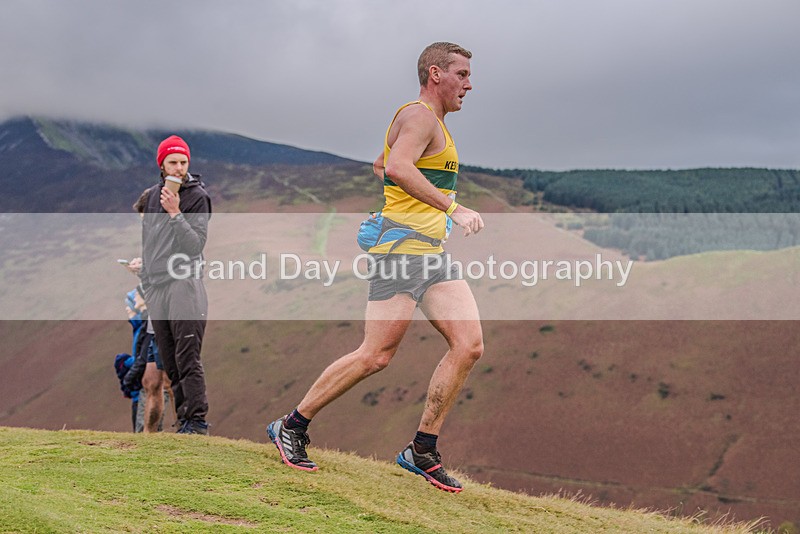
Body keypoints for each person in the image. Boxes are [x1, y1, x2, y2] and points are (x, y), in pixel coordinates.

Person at [267, 42, 484, 493]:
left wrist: (396, 206)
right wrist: (452, 208)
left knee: (469, 345)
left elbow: (382, 165)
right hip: (402, 253)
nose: (469, 83)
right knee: (376, 355)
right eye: (461, 74)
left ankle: (422, 450)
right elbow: (399, 167)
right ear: (434, 74)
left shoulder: (429, 122)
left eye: (469, 74)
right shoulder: (421, 116)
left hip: (428, 253)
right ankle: (291, 426)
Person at [127, 135, 212, 435]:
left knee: (188, 356)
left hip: (184, 283)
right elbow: (150, 243)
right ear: (161, 164)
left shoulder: (196, 196)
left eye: (183, 162)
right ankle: (183, 422)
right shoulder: (151, 196)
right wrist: (147, 280)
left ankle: (196, 423)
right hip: (157, 287)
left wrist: (176, 213)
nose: (178, 168)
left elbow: (195, 244)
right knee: (170, 362)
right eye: (173, 162)